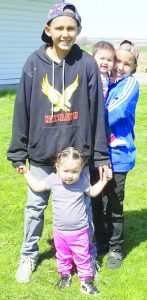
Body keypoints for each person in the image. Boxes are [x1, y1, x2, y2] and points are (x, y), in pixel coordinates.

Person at [7, 3, 110, 283]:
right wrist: (18, 151)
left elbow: (98, 112)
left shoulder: (87, 64)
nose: (65, 34)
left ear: (77, 30)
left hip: (76, 159)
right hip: (42, 156)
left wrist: (101, 156)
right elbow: (22, 110)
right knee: (34, 210)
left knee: (83, 213)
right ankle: (28, 256)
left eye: (71, 28)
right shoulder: (33, 63)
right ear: (48, 30)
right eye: (60, 28)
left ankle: (87, 256)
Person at [20, 147, 112, 294]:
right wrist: (26, 172)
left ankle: (86, 281)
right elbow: (37, 187)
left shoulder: (82, 180)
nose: (70, 175)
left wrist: (104, 180)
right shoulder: (53, 179)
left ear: (81, 169)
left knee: (82, 256)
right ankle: (65, 275)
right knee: (62, 256)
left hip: (80, 231)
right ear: (57, 167)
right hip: (60, 232)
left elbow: (93, 192)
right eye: (66, 171)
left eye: (74, 171)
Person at [91, 40, 139, 269]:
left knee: (115, 203)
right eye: (117, 61)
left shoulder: (130, 85)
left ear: (133, 67)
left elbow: (114, 113)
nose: (119, 66)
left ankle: (116, 248)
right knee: (98, 200)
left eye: (126, 63)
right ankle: (100, 241)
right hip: (99, 153)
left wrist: (89, 122)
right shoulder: (105, 82)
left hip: (119, 156)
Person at [92, 41, 127, 148]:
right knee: (103, 120)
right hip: (95, 103)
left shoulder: (106, 74)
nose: (105, 62)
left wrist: (113, 78)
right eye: (101, 59)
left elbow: (107, 82)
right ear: (92, 58)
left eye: (109, 60)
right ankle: (110, 139)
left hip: (102, 102)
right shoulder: (93, 73)